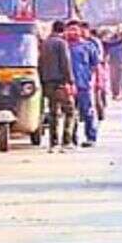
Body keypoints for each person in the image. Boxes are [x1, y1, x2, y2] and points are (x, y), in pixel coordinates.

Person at [37, 20, 76, 153]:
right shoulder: (61, 43)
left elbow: (40, 63)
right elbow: (66, 63)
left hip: (47, 82)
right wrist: (70, 82)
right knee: (70, 111)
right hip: (60, 83)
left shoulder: (44, 43)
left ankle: (53, 143)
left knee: (53, 113)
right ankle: (66, 141)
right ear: (63, 30)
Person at [66, 20, 100, 148]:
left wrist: (98, 81)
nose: (72, 32)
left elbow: (96, 65)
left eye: (75, 29)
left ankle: (91, 137)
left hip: (84, 84)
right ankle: (71, 138)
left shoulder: (88, 46)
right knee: (70, 112)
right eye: (70, 30)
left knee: (88, 112)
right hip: (68, 85)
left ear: (80, 31)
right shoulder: (64, 46)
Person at [106, 31, 122, 100]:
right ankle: (115, 93)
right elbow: (108, 55)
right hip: (113, 65)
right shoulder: (110, 46)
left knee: (121, 80)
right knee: (113, 80)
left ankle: (120, 94)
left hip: (121, 65)